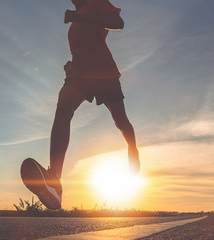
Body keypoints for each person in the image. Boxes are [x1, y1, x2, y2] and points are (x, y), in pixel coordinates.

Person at [21, 0, 139, 210]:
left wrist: (81, 17)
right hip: (80, 74)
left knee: (121, 121)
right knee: (63, 110)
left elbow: (118, 22)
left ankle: (133, 148)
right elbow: (83, 46)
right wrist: (72, 64)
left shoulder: (97, 3)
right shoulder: (76, 14)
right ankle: (54, 180)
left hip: (104, 73)